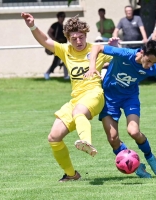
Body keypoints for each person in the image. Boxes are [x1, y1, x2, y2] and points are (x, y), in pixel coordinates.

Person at [85, 38, 156, 178]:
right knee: (113, 139)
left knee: (133, 132)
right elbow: (97, 47)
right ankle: (137, 167)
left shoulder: (152, 68)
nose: (150, 65)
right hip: (109, 99)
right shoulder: (125, 54)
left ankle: (150, 157)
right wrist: (92, 67)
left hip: (130, 99)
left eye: (154, 62)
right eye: (149, 60)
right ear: (142, 52)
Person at [21, 13, 112, 182]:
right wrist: (32, 26)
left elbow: (120, 58)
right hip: (76, 99)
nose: (78, 41)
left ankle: (86, 141)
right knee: (54, 137)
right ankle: (71, 174)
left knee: (79, 111)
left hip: (94, 95)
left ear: (86, 35)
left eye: (81, 37)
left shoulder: (96, 50)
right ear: (69, 39)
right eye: (74, 38)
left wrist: (115, 46)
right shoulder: (66, 50)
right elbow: (45, 41)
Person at [44, 12, 69, 80]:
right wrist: (55, 40)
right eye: (61, 16)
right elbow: (49, 32)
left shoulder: (64, 26)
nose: (63, 18)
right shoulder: (55, 25)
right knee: (57, 62)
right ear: (58, 17)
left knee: (64, 60)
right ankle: (47, 73)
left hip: (63, 46)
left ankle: (66, 75)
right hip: (57, 46)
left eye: (64, 16)